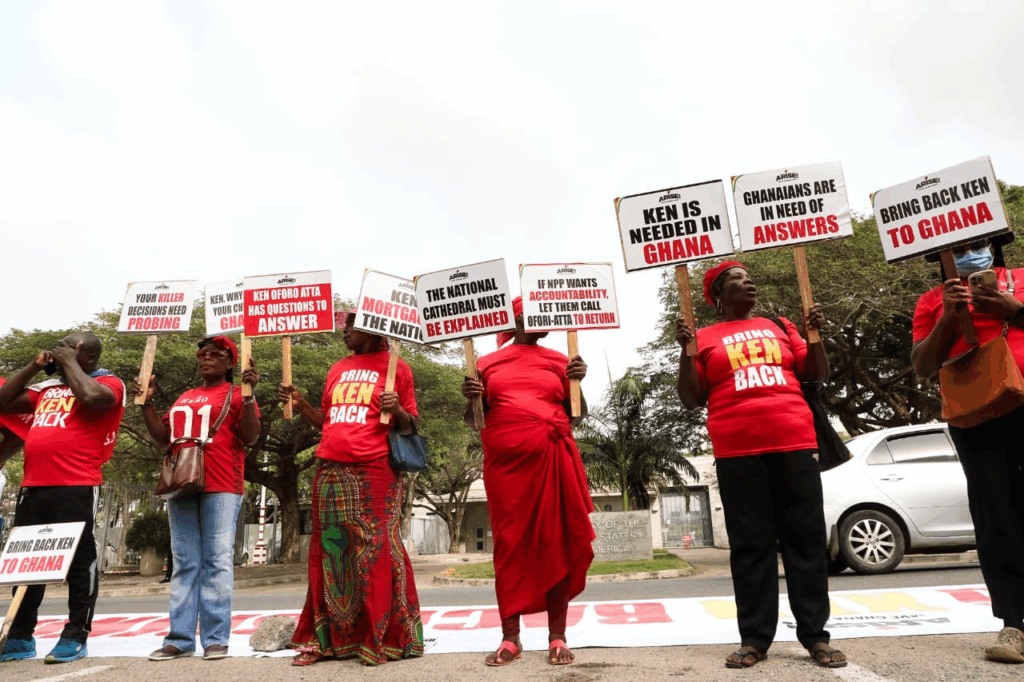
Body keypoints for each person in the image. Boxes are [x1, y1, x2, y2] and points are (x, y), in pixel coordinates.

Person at [674, 261, 846, 669]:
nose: (747, 281)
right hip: (737, 453)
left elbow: (816, 374)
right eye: (735, 279)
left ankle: (815, 637)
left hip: (795, 442)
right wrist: (686, 353)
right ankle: (754, 639)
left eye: (748, 277)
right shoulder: (702, 337)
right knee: (752, 547)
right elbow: (691, 397)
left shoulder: (781, 326)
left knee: (805, 542)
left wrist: (814, 336)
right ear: (718, 296)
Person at [279, 311, 423, 667]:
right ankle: (328, 639)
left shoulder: (397, 368)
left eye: (351, 326)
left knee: (375, 548)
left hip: (375, 468)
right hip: (329, 466)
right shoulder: (337, 368)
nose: (344, 331)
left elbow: (411, 425)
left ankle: (381, 637)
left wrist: (399, 411)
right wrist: (302, 405)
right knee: (330, 549)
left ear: (374, 330)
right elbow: (326, 422)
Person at [460, 296, 595, 667]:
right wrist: (472, 398)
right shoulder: (485, 363)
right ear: (515, 318)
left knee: (556, 542)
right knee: (509, 545)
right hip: (506, 468)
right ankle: (510, 638)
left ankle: (557, 636)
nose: (545, 319)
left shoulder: (562, 361)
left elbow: (577, 417)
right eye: (535, 312)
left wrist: (577, 383)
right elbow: (474, 421)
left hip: (551, 460)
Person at [911, 233, 1024, 663]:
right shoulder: (930, 301)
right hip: (976, 415)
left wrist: (1015, 311)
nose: (969, 254)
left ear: (995, 245)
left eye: (978, 244)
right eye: (957, 250)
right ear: (941, 259)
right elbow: (922, 365)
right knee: (996, 514)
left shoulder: (1020, 279)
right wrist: (948, 316)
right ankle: (1013, 624)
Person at [0, 333, 126, 664]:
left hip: (76, 484)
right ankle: (20, 637)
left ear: (89, 356)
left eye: (67, 347)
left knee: (80, 563)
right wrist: (33, 367)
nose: (57, 351)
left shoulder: (109, 383)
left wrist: (68, 363)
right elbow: (2, 402)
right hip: (33, 485)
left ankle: (75, 635)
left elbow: (91, 397)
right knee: (28, 563)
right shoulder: (47, 389)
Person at [135, 336, 260, 662]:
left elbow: (250, 436)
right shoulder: (185, 396)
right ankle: (179, 638)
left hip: (221, 483)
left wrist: (249, 397)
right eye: (201, 354)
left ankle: (216, 638)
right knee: (185, 561)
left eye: (215, 354)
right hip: (181, 483)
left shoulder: (236, 393)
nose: (205, 358)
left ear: (230, 362)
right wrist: (146, 403)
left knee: (216, 560)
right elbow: (164, 440)